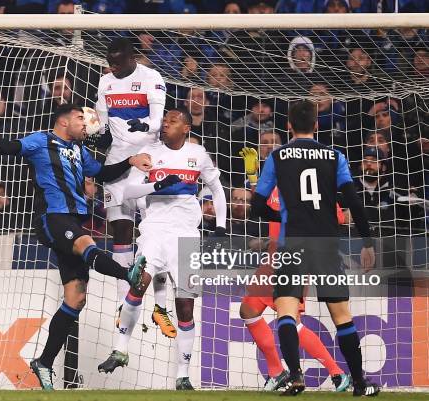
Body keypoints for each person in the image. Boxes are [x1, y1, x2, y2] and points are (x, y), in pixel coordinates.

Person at [0, 103, 150, 390]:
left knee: (76, 298)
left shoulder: (80, 151)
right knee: (87, 243)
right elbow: (13, 147)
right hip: (53, 218)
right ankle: (128, 275)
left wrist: (130, 160)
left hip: (72, 220)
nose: (86, 124)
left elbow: (102, 173)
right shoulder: (41, 140)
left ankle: (44, 362)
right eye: (80, 118)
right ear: (63, 121)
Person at [250, 100, 380, 396]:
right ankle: (359, 383)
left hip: (292, 244)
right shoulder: (334, 156)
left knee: (286, 312)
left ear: (289, 126)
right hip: (325, 245)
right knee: (342, 316)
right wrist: (367, 241)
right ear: (317, 125)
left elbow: (256, 206)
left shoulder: (278, 157)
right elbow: (353, 202)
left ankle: (295, 377)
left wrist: (281, 215)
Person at [97, 108, 227, 391]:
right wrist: (156, 184)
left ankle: (183, 375)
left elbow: (217, 189)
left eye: (173, 121)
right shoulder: (148, 153)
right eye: (165, 120)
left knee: (185, 306)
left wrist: (220, 227)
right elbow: (128, 193)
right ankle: (120, 349)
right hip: (154, 232)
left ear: (186, 129)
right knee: (137, 284)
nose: (166, 124)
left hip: (186, 237)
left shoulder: (199, 154)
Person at [239, 146, 352, 392]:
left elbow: (340, 218)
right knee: (249, 309)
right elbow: (259, 201)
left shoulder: (316, 191)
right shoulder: (277, 189)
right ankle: (277, 372)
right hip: (271, 262)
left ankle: (336, 373)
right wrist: (253, 177)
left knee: (291, 321)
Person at [93, 38, 173, 338]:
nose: (113, 65)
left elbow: (157, 121)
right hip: (118, 163)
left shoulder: (151, 78)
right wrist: (93, 135)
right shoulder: (104, 83)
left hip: (147, 162)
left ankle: (161, 306)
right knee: (121, 234)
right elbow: (102, 126)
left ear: (132, 57)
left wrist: (144, 126)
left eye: (118, 60)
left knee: (157, 235)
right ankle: (121, 306)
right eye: (110, 60)